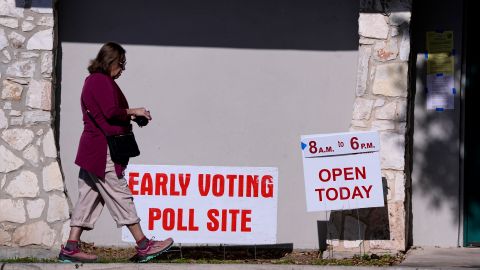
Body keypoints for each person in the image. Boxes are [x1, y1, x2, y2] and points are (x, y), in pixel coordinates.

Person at [58, 42, 173, 263]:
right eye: (122, 64)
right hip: (103, 150)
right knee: (120, 194)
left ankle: (71, 247)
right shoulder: (100, 80)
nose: (123, 69)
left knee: (88, 198)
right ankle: (143, 244)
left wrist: (129, 116)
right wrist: (133, 111)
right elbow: (110, 112)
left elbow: (105, 113)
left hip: (92, 149)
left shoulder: (93, 81)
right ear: (111, 61)